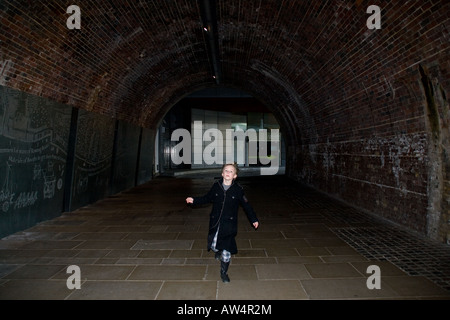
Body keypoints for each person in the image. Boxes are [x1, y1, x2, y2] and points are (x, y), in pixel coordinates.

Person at [185, 163, 259, 282]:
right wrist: (194, 200)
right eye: (226, 170)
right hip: (216, 222)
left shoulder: (238, 190)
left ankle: (224, 272)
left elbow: (247, 206)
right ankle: (218, 250)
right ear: (222, 173)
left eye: (231, 171)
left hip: (229, 225)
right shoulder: (216, 186)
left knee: (227, 249)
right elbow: (207, 198)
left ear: (234, 176)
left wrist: (253, 219)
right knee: (214, 245)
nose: (228, 173)